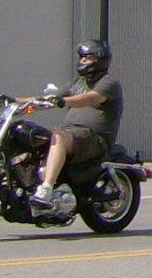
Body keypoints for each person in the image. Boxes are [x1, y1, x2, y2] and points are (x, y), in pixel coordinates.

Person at [30, 39, 123, 212]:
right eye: (81, 57)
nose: (82, 61)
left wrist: (63, 100)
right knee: (29, 136)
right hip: (72, 135)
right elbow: (45, 100)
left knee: (59, 135)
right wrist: (13, 102)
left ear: (99, 59)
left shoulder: (109, 83)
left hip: (95, 139)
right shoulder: (77, 83)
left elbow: (90, 98)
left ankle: (46, 189)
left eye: (87, 57)